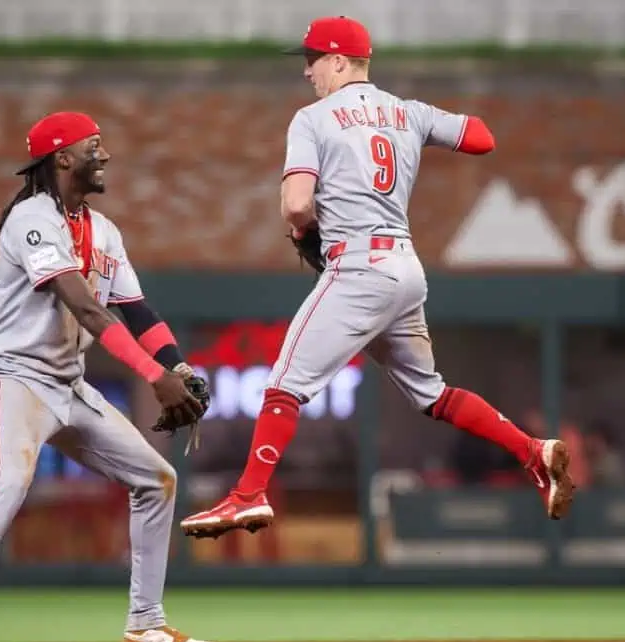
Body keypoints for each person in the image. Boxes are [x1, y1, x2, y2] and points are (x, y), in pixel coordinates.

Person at [180, 16, 575, 539]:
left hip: (359, 265)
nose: (306, 72)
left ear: (340, 61)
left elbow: (297, 206)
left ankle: (247, 495)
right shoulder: (406, 111)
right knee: (430, 394)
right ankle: (532, 451)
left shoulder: (312, 119)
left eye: (312, 59)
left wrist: (306, 229)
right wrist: (420, 124)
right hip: (406, 269)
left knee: (283, 384)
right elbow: (481, 138)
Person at [0, 111, 218, 642]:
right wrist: (154, 378)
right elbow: (83, 305)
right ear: (61, 157)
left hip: (66, 382)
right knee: (12, 477)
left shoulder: (104, 230)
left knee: (157, 480)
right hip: (10, 374)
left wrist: (177, 367)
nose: (103, 155)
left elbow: (136, 311)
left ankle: (145, 627)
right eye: (93, 146)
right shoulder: (30, 218)